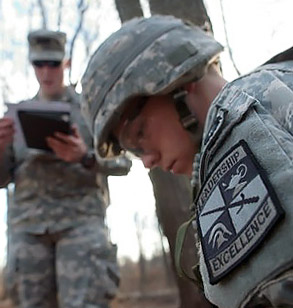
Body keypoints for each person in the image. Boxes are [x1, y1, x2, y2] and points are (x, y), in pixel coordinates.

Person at [80, 15, 293, 308]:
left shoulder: (235, 128)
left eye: (138, 135)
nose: (147, 161)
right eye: (132, 151)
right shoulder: (272, 87)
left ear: (176, 78)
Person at [0, 29, 131, 308]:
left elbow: (125, 161)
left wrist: (86, 157)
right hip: (28, 228)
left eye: (53, 63)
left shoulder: (90, 110)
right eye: (39, 64)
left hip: (81, 223)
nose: (46, 72)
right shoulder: (16, 115)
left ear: (66, 63)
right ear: (32, 64)